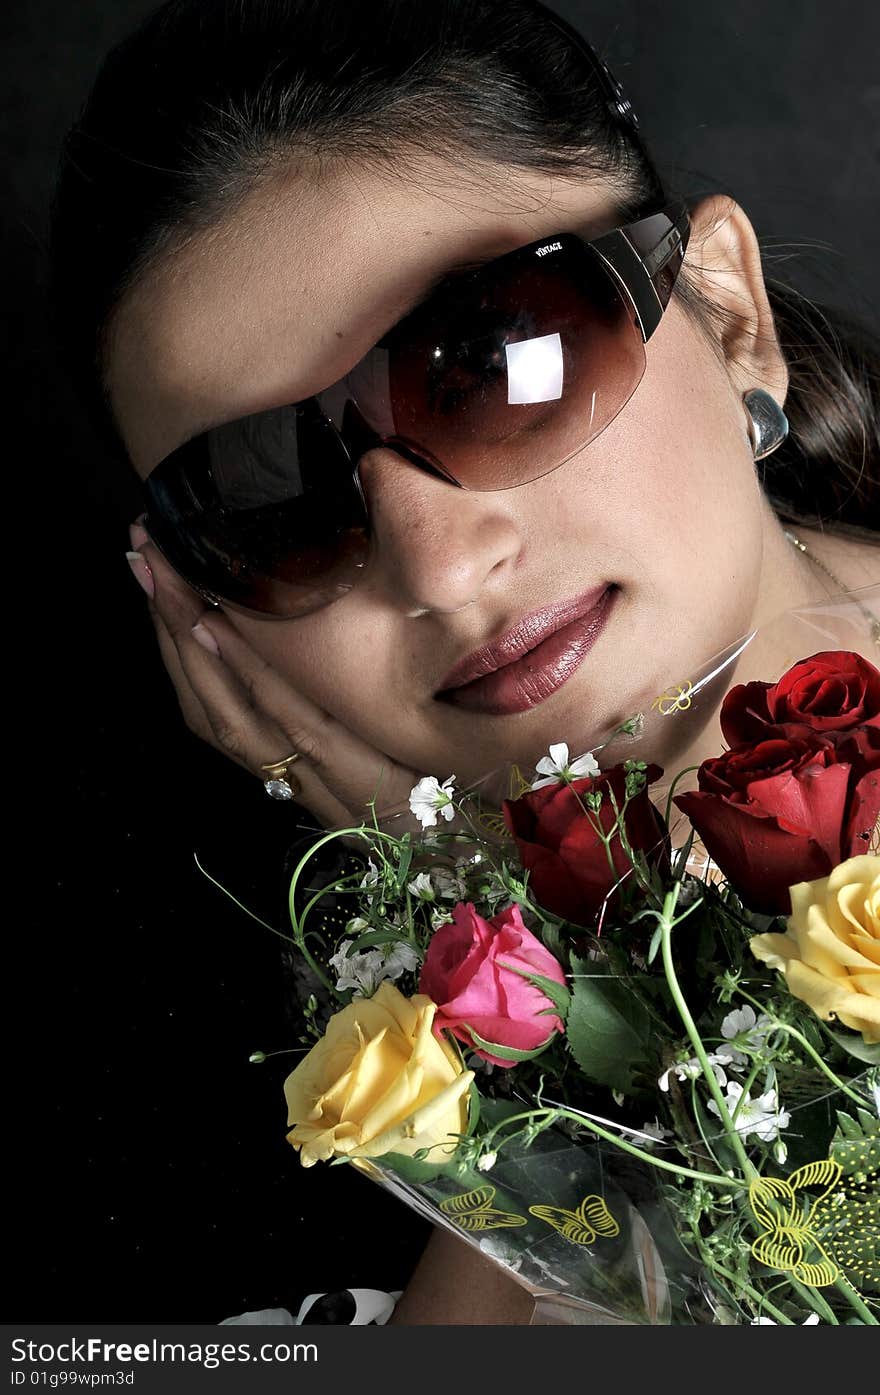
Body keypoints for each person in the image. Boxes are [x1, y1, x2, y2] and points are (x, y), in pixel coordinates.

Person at [49, 0, 879, 1323]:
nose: (433, 567)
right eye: (265, 503)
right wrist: (505, 954)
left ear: (727, 315)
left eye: (487, 361)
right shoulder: (207, 1035)